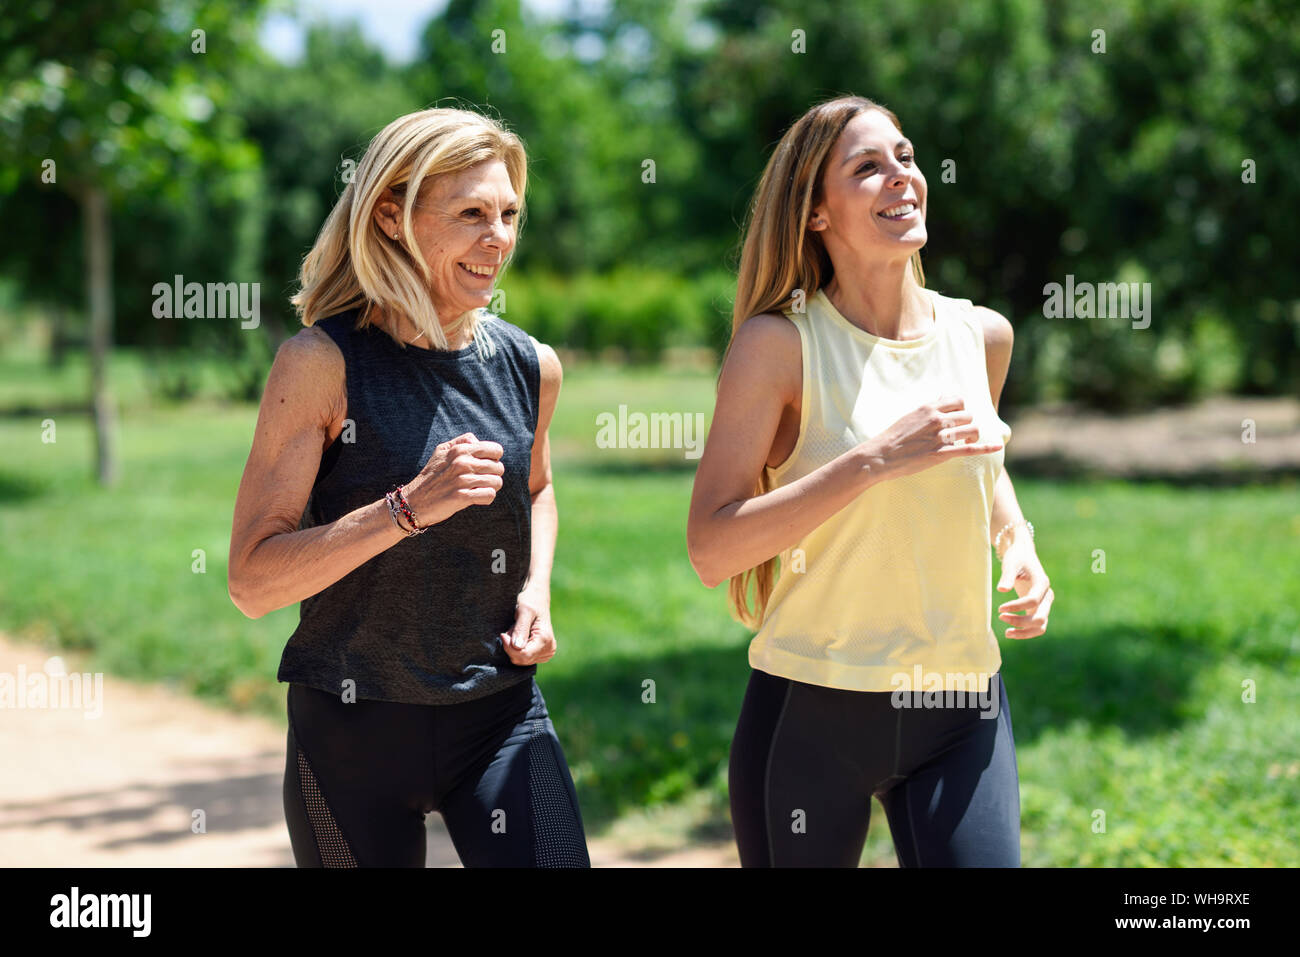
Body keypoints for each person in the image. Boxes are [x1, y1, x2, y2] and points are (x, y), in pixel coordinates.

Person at [687, 95, 1054, 867]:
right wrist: (872, 460)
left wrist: (1017, 543)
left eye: (907, 157)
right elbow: (713, 546)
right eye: (868, 167)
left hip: (962, 706)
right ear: (816, 214)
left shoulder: (982, 335)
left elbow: (979, 465)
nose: (902, 178)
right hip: (810, 713)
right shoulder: (778, 345)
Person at [227, 107, 589, 868]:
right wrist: (406, 509)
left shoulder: (532, 366)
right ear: (390, 215)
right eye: (471, 214)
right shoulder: (321, 363)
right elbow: (253, 580)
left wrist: (537, 589)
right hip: (350, 731)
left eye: (509, 215)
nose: (499, 238)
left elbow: (539, 486)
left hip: (499, 713)